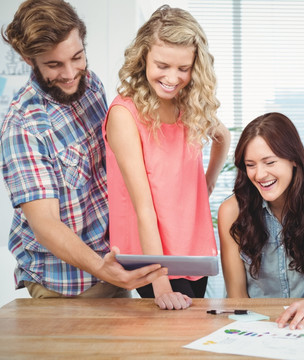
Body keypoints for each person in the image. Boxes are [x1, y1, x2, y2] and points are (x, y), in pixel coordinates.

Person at [0, 0, 167, 299]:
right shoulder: (22, 127)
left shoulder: (90, 85)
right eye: (54, 65)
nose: (70, 72)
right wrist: (102, 268)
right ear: (28, 59)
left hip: (115, 264)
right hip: (63, 285)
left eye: (77, 57)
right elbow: (45, 224)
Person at [104, 5, 230, 310]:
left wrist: (208, 183)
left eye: (183, 68)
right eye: (162, 65)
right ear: (143, 56)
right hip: (152, 256)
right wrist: (159, 285)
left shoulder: (189, 106)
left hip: (193, 248)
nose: (173, 78)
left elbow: (222, 137)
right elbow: (143, 208)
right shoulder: (125, 114)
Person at [218, 112, 304, 330]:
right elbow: (237, 294)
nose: (260, 174)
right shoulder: (231, 211)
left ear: (293, 159)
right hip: (258, 325)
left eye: (269, 162)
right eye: (250, 165)